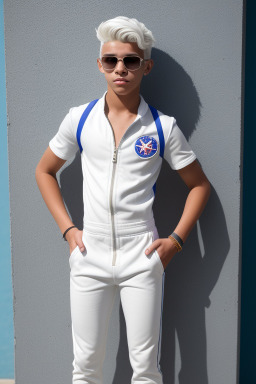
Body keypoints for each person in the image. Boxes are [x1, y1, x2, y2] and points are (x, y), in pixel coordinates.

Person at [35, 15, 211, 384]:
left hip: (142, 255)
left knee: (146, 369)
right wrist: (68, 230)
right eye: (111, 60)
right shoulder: (79, 119)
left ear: (146, 67)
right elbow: (44, 170)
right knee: (84, 367)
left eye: (130, 61)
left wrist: (175, 243)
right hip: (89, 254)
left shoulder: (163, 128)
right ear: (100, 65)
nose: (120, 69)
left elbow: (199, 185)